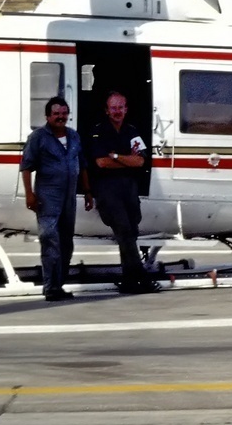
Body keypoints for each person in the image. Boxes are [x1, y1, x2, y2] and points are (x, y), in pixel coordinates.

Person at [20, 96, 93, 301]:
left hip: (69, 197)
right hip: (47, 198)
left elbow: (82, 164)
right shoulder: (38, 137)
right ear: (48, 116)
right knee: (49, 239)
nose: (60, 117)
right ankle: (50, 287)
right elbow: (25, 167)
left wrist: (87, 192)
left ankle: (58, 285)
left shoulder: (74, 137)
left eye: (64, 113)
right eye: (56, 114)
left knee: (66, 242)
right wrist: (29, 194)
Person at [89, 91, 156, 294]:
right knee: (125, 230)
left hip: (128, 190)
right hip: (108, 191)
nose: (117, 111)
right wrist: (127, 160)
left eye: (121, 107)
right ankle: (142, 278)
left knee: (130, 233)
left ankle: (129, 280)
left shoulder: (132, 131)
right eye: (113, 108)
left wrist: (116, 156)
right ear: (107, 111)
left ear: (126, 109)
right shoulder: (99, 131)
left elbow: (140, 161)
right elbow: (101, 162)